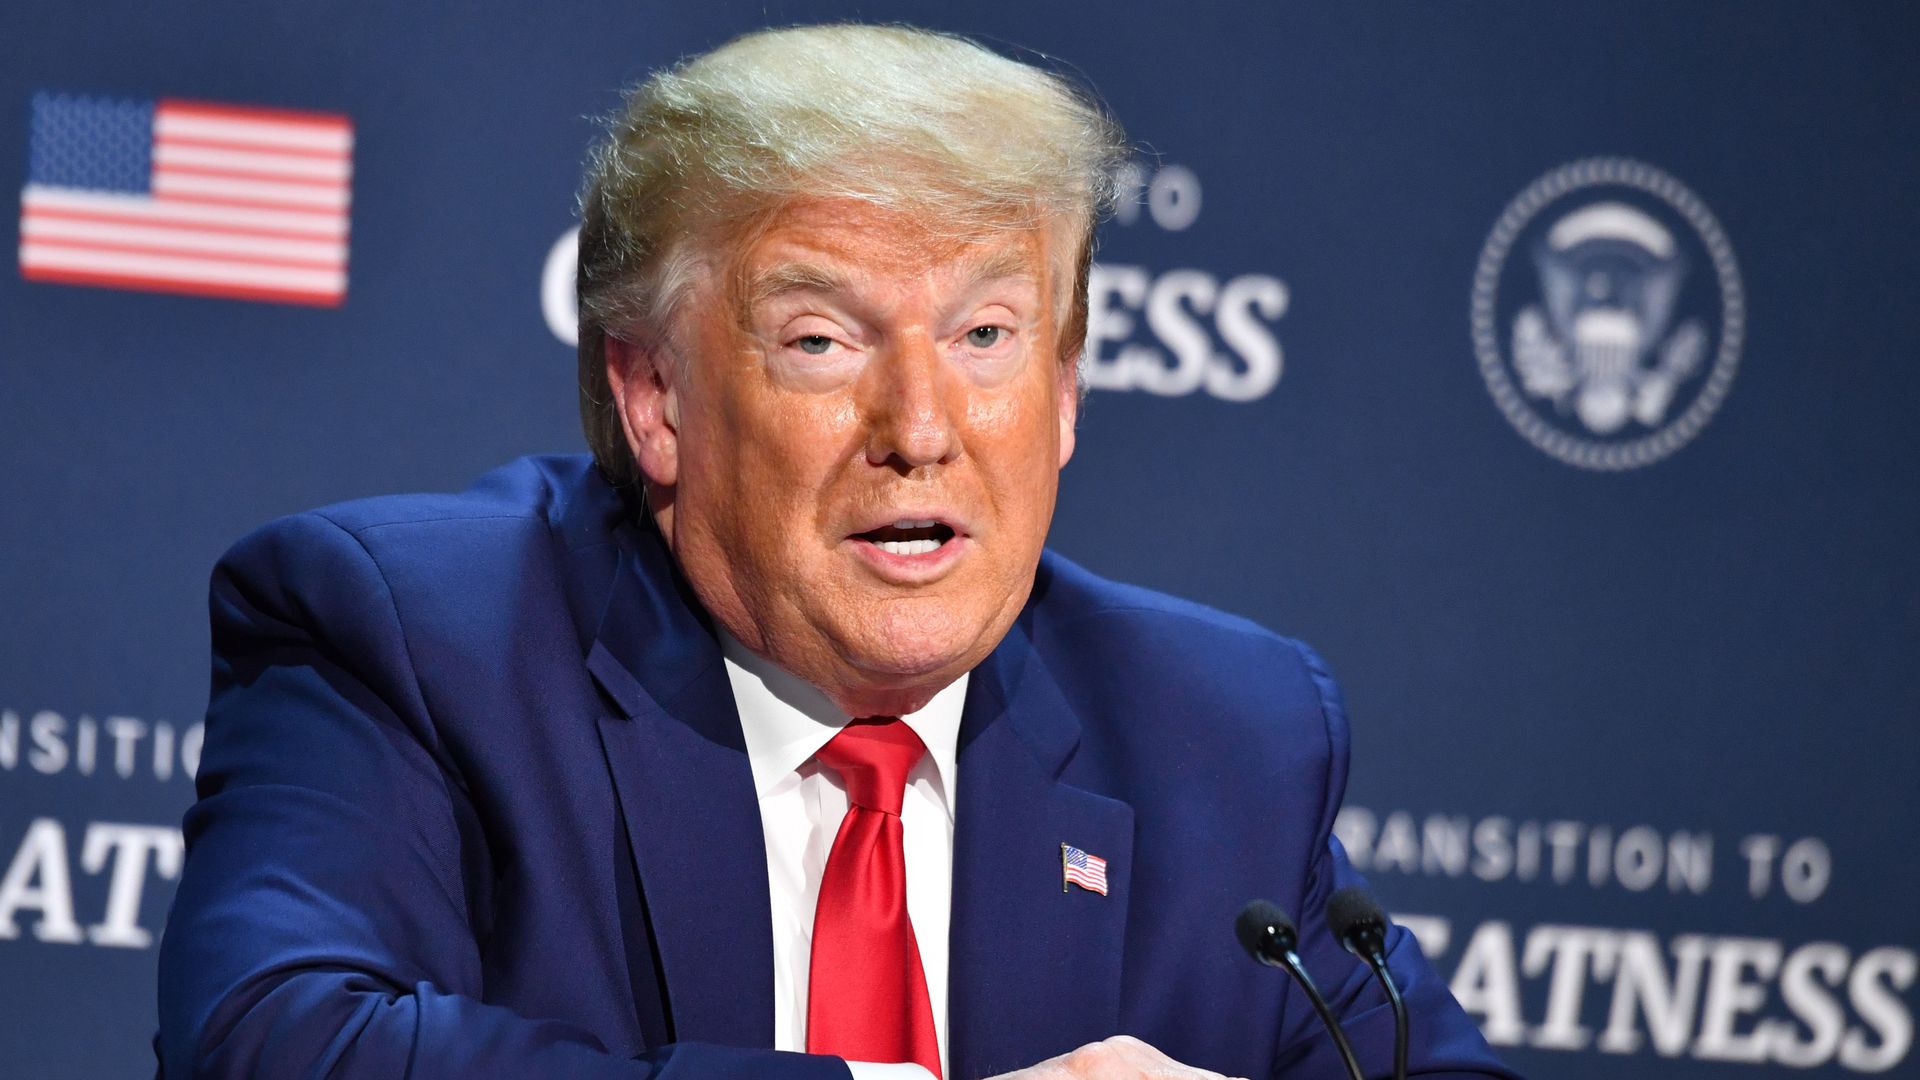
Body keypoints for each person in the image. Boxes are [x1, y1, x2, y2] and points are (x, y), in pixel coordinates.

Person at [156, 23, 1517, 1080]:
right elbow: (267, 1040)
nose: (919, 428)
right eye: (821, 341)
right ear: (655, 397)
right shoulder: (421, 638)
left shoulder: (1220, 735)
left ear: (1065, 391)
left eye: (986, 336)